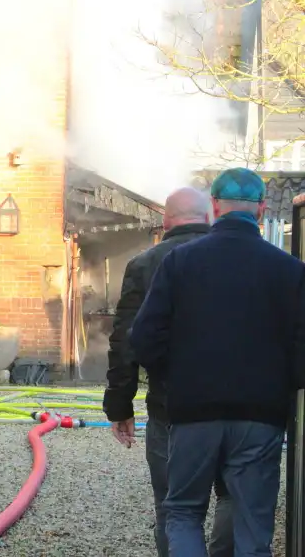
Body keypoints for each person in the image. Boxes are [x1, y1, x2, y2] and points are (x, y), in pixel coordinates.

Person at [133, 168, 305, 557]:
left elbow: (144, 337)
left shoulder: (179, 263)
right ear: (261, 209)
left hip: (193, 411)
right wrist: (283, 385)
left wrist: (176, 377)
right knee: (251, 522)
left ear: (214, 207)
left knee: (183, 513)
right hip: (261, 415)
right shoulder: (291, 271)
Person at [103, 187, 233, 557]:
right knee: (234, 497)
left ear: (165, 220)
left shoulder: (146, 264)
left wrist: (119, 405)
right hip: (239, 404)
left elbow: (126, 340)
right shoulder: (239, 258)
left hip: (170, 405)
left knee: (174, 505)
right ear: (209, 216)